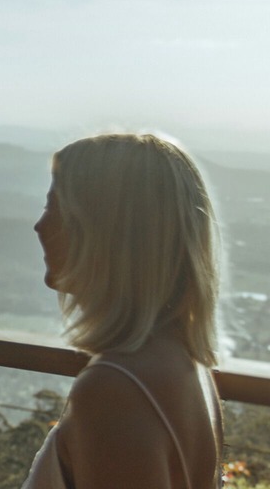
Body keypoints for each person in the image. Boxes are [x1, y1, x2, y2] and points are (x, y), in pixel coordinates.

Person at [24, 133, 223, 489]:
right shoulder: (186, 362)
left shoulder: (113, 389)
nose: (40, 225)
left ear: (102, 232)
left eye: (54, 206)